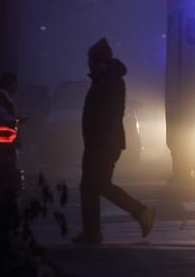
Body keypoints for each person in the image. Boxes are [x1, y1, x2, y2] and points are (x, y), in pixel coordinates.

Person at [72, 39, 156, 245]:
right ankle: (91, 230)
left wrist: (97, 139)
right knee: (90, 186)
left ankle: (141, 211)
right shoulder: (106, 79)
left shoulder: (109, 81)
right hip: (98, 142)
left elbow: (106, 115)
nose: (88, 64)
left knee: (99, 184)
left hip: (103, 143)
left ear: (98, 60)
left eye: (90, 59)